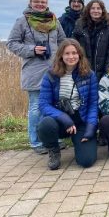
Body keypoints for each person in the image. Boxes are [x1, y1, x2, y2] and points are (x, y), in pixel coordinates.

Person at [7, 0, 66, 154]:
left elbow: (63, 41)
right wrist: (32, 50)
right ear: (31, 3)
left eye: (43, 2)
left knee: (54, 105)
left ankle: (52, 137)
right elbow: (11, 43)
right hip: (34, 71)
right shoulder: (22, 22)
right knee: (36, 107)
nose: (40, 4)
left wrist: (63, 59)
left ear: (47, 4)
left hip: (54, 70)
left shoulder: (54, 21)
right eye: (37, 2)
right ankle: (36, 142)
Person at [37, 38, 98, 169]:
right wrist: (64, 118)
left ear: (79, 55)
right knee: (45, 124)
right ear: (61, 56)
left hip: (80, 120)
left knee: (86, 161)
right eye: (67, 53)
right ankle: (53, 149)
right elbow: (43, 104)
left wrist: (91, 127)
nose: (71, 56)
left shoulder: (89, 75)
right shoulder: (51, 75)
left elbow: (93, 104)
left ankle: (79, 142)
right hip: (59, 120)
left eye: (74, 53)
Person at [73, 0, 109, 81]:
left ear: (102, 11)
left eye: (98, 8)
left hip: (103, 75)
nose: (96, 11)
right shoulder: (80, 27)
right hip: (82, 71)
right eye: (93, 8)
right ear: (88, 10)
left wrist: (107, 75)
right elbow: (74, 49)